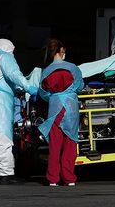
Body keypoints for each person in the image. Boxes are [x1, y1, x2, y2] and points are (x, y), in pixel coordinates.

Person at [0, 39, 37, 184]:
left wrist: (16, 88)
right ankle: (6, 174)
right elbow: (14, 75)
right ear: (10, 48)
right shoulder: (5, 57)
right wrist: (29, 87)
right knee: (2, 137)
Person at [37, 39, 83, 187]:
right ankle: (69, 178)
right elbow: (79, 85)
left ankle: (53, 179)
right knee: (70, 142)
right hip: (70, 106)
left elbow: (43, 93)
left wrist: (53, 96)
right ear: (62, 50)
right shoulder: (72, 68)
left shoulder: (46, 71)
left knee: (55, 145)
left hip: (54, 106)